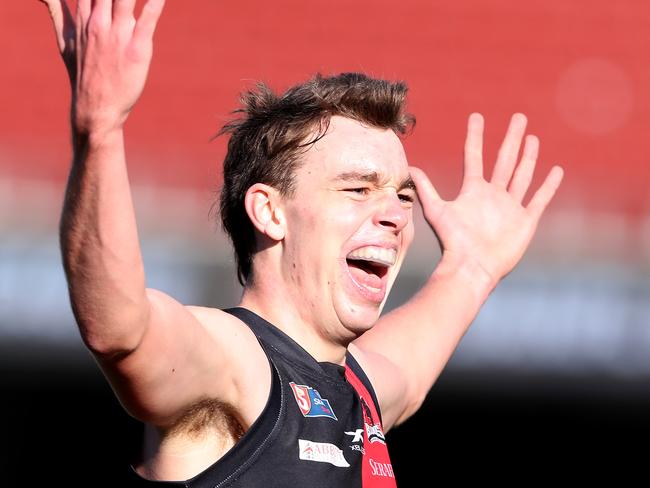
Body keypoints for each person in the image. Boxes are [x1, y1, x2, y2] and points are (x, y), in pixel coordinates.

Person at [40, 0, 564, 486]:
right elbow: (121, 330)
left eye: (402, 196)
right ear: (270, 212)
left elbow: (409, 370)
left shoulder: (360, 387)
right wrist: (101, 130)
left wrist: (472, 265)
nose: (395, 216)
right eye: (357, 189)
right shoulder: (235, 363)